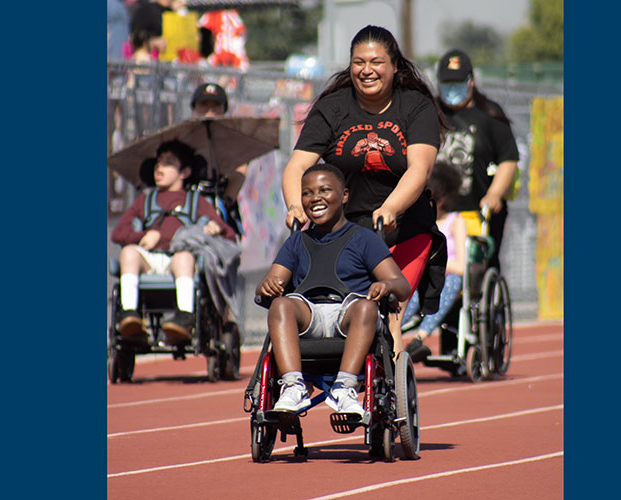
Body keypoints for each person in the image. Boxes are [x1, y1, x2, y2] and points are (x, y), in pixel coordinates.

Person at [281, 25, 448, 359]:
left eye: (376, 61)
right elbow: (296, 166)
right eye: (359, 62)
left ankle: (390, 400)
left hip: (404, 232)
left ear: (395, 65)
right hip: (344, 236)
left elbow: (420, 169)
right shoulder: (332, 108)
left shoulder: (415, 107)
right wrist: (295, 205)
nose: (367, 70)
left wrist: (391, 208)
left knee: (390, 315)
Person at [257, 164, 410, 414]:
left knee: (365, 306)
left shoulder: (364, 239)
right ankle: (293, 387)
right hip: (309, 318)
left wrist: (385, 284)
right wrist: (268, 286)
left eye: (325, 190)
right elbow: (270, 283)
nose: (315, 198)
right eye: (307, 193)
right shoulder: (296, 241)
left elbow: (401, 285)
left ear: (344, 195)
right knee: (280, 304)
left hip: (351, 316)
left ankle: (344, 388)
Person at [111, 139, 237, 344]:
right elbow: (117, 233)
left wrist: (215, 230)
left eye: (168, 162)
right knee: (128, 253)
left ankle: (184, 319)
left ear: (184, 172)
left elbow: (229, 235)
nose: (159, 166)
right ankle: (129, 316)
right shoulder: (145, 201)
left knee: (184, 257)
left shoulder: (197, 202)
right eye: (158, 162)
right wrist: (142, 236)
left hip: (178, 262)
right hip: (149, 260)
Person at [435, 49, 519, 271]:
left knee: (480, 268)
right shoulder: (430, 112)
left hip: (479, 212)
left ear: (471, 82)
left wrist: (494, 194)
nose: (452, 88)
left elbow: (508, 158)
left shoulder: (489, 114)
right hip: (439, 213)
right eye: (447, 83)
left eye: (458, 82)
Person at [402, 161, 467, 362]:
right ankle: (388, 332)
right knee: (409, 288)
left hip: (448, 277)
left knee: (452, 281)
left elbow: (461, 267)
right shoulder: (419, 222)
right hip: (423, 278)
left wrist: (437, 263)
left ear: (445, 197)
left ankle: (419, 339)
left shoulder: (455, 222)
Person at [190, 82, 246, 237]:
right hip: (188, 208)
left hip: (220, 206)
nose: (210, 112)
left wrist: (224, 202)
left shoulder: (233, 140)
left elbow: (239, 174)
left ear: (224, 109)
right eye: (204, 106)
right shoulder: (182, 138)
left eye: (215, 106)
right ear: (194, 108)